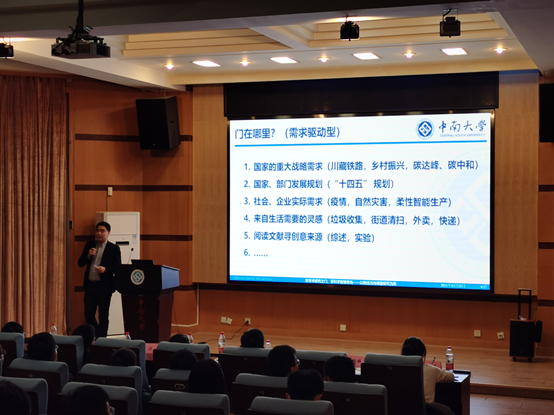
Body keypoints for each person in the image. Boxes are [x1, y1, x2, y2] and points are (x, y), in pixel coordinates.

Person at [78, 221, 121, 338]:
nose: (99, 233)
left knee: (103, 316)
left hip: (105, 287)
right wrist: (88, 256)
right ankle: (94, 336)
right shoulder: (90, 245)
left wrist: (105, 269)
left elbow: (118, 268)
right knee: (89, 315)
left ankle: (101, 340)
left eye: (102, 231)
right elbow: (80, 263)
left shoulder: (114, 248)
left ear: (108, 233)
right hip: (90, 286)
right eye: (97, 231)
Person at [401, 336, 454, 403]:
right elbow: (451, 376)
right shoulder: (431, 370)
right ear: (423, 354)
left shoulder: (395, 371)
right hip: (426, 408)